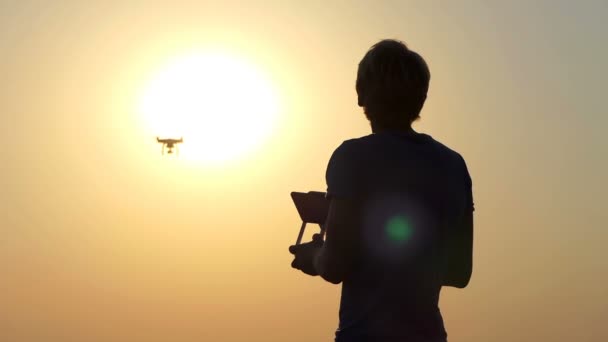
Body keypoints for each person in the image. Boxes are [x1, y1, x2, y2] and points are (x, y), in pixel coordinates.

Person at [289, 39, 474, 342]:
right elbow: (458, 272)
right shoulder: (454, 164)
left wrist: (314, 256)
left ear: (361, 94)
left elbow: (335, 266)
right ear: (421, 98)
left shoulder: (352, 157)